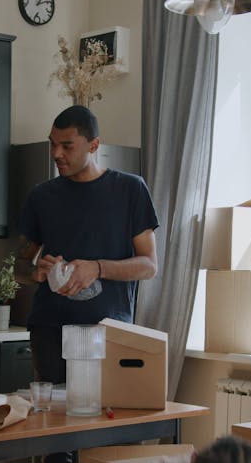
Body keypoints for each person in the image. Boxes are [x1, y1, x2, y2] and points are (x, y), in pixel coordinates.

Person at [15, 104, 159, 389]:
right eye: (52, 144)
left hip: (107, 332)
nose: (57, 154)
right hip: (49, 330)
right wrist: (35, 272)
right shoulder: (40, 196)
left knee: (107, 421)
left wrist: (97, 268)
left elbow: (149, 266)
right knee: (53, 423)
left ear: (94, 145)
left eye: (67, 146)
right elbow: (18, 266)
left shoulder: (130, 189)